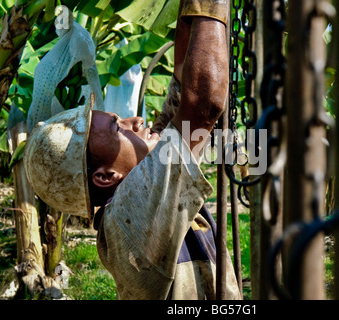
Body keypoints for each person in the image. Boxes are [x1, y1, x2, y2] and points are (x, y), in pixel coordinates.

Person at [24, 0, 242, 300]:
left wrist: (191, 9)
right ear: (105, 177)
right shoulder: (131, 216)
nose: (136, 120)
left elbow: (182, 83)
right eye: (118, 128)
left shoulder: (138, 198)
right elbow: (202, 101)